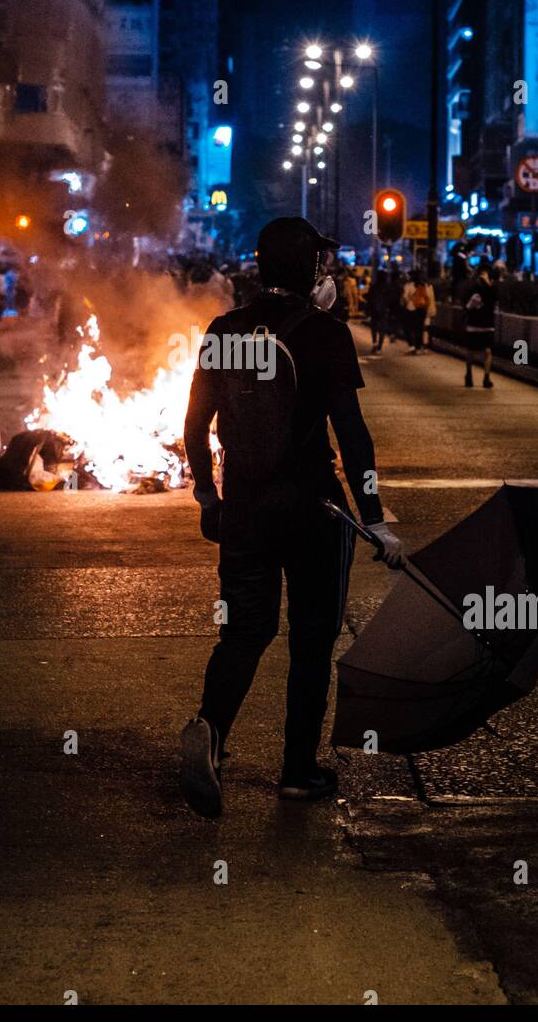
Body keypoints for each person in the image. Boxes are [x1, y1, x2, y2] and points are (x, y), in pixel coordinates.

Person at [180, 216, 403, 819]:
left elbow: (195, 430)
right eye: (320, 264)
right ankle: (297, 773)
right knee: (311, 643)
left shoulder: (222, 330)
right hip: (314, 512)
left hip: (244, 513)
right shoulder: (324, 333)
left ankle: (212, 734)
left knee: (245, 633)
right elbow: (352, 436)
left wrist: (208, 497)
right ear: (309, 271)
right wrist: (375, 517)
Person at [462, 259, 498, 389]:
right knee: (471, 351)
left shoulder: (492, 286)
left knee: (488, 351)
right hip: (474, 323)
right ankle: (469, 374)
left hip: (487, 323)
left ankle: (486, 377)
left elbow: (495, 298)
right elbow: (465, 304)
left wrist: (489, 284)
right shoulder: (472, 286)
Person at [402, 269, 434, 354]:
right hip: (422, 309)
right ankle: (418, 347)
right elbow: (428, 297)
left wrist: (409, 302)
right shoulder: (425, 285)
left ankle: (411, 345)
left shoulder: (408, 285)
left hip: (411, 309)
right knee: (419, 329)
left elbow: (405, 297)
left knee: (408, 327)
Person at [369, 269, 391, 354]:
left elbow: (370, 299)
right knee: (382, 329)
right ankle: (379, 347)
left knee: (374, 327)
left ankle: (374, 343)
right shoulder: (387, 287)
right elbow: (389, 300)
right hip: (384, 310)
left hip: (374, 310)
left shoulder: (374, 286)